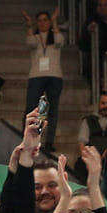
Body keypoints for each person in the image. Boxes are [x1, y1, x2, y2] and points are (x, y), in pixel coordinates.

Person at [23, 10, 64, 153]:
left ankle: (49, 142)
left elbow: (60, 40)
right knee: (34, 109)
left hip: (54, 76)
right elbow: (29, 43)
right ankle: (33, 138)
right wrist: (29, 26)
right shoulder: (35, 37)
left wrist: (54, 21)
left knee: (52, 110)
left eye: (45, 20)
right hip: (36, 76)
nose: (42, 23)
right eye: (39, 20)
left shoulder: (55, 36)